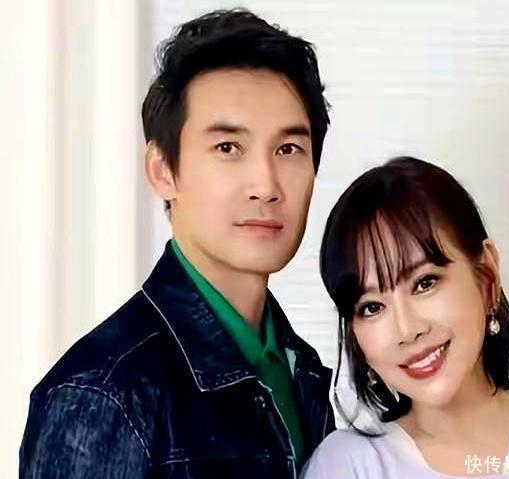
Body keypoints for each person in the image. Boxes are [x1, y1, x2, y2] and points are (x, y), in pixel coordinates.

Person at [20, 9, 335, 478]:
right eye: (228, 148)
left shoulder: (306, 372)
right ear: (162, 170)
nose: (266, 186)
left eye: (288, 149)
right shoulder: (103, 393)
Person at [303, 157, 509, 478]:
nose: (407, 330)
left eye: (425, 283)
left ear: (486, 276)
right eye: (372, 307)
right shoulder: (346, 467)